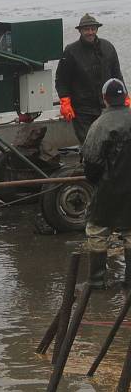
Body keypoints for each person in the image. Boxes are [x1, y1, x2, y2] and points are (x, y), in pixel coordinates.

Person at [81, 79, 131, 289]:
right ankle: (129, 281)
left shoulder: (100, 125)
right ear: (125, 97)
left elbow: (91, 162)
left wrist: (96, 181)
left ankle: (96, 281)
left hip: (108, 189)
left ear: (105, 99)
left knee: (97, 231)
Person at [55, 14, 124, 144]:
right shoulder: (71, 51)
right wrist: (65, 100)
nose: (90, 32)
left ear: (97, 29)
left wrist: (124, 96)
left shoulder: (108, 47)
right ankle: (88, 162)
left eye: (93, 29)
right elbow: (61, 80)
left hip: (107, 108)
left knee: (109, 144)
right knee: (89, 144)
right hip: (82, 110)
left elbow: (117, 75)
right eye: (86, 29)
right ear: (80, 31)